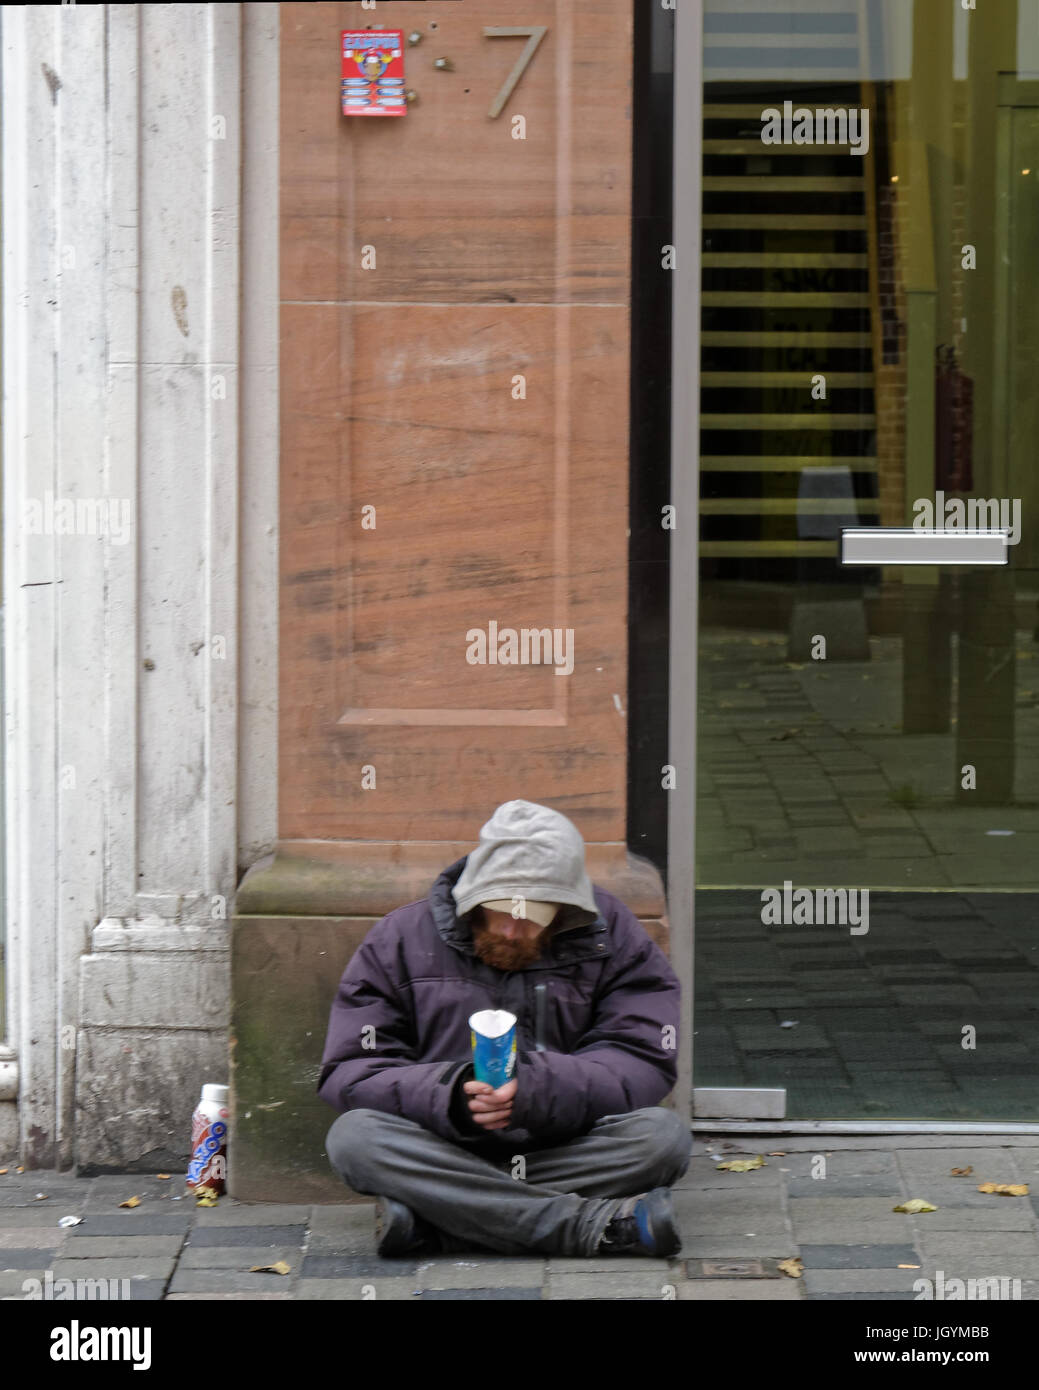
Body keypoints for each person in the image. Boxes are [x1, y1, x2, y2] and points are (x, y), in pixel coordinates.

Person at [318, 799, 691, 1258]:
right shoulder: (399, 938)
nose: (513, 932)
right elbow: (351, 1070)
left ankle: (441, 1223)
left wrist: (538, 1089)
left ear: (565, 909)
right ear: (473, 895)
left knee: (662, 1140)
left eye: (532, 915)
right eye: (500, 910)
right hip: (443, 1148)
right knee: (355, 1140)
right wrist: (451, 1095)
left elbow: (641, 1054)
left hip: (564, 1145)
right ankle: (585, 1226)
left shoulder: (611, 935)